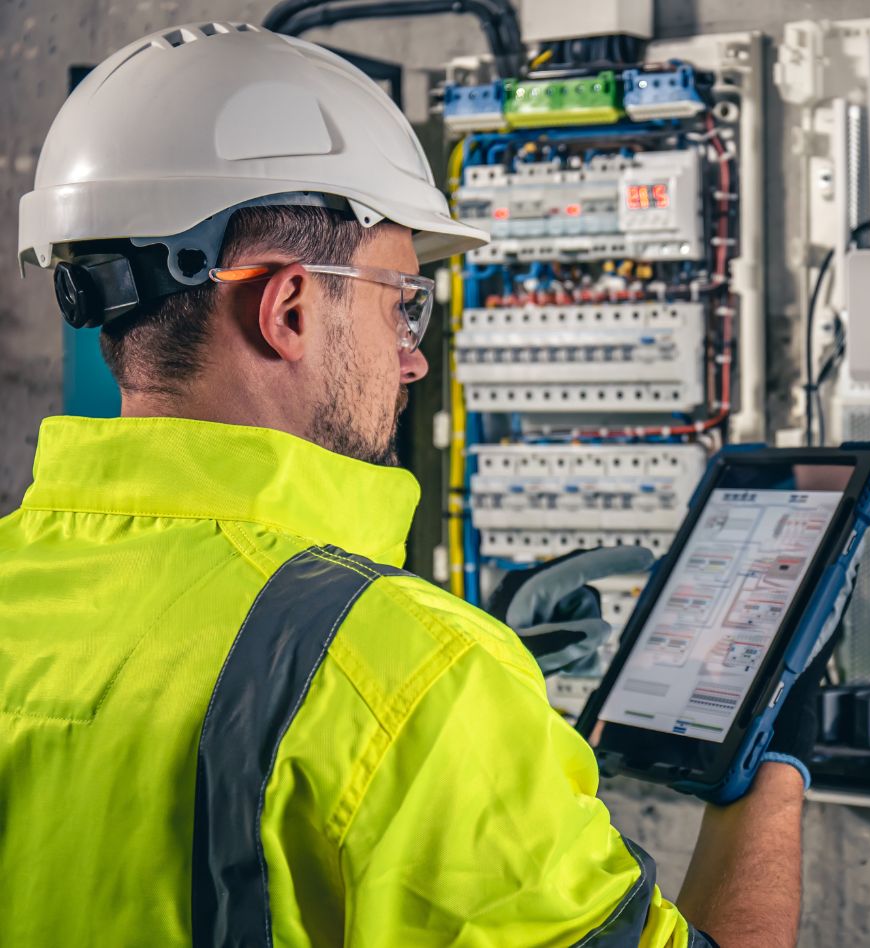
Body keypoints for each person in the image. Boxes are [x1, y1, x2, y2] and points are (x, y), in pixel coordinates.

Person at [1, 23, 825, 947]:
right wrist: (774, 751)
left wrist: (433, 668)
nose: (413, 361)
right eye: (403, 305)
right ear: (291, 308)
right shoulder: (423, 682)